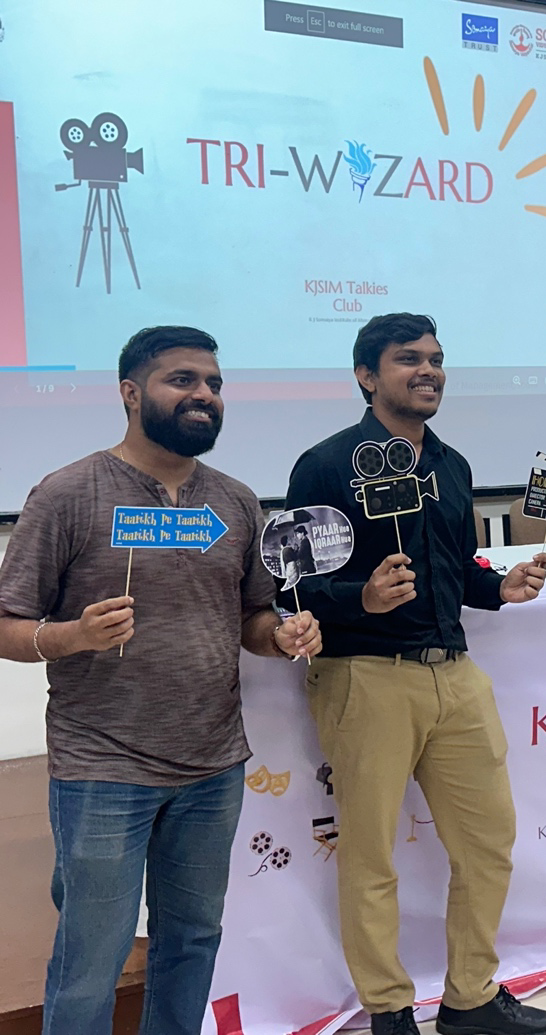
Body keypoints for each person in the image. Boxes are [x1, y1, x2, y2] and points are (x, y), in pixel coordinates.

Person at [0, 326, 321, 1035]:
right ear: (130, 392)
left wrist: (282, 636)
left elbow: (253, 616)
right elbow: (6, 624)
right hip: (103, 767)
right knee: (93, 957)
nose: (204, 394)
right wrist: (73, 635)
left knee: (193, 938)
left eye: (214, 383)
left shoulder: (235, 502)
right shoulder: (68, 493)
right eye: (183, 380)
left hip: (213, 767)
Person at [283, 313, 546, 1035]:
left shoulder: (452, 466)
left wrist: (501, 585)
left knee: (488, 840)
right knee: (371, 854)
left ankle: (470, 996)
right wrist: (361, 598)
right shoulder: (324, 466)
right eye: (409, 359)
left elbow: (457, 568)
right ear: (367, 376)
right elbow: (292, 591)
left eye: (437, 358)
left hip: (455, 672)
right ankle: (389, 1009)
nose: (428, 370)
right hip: (365, 677)